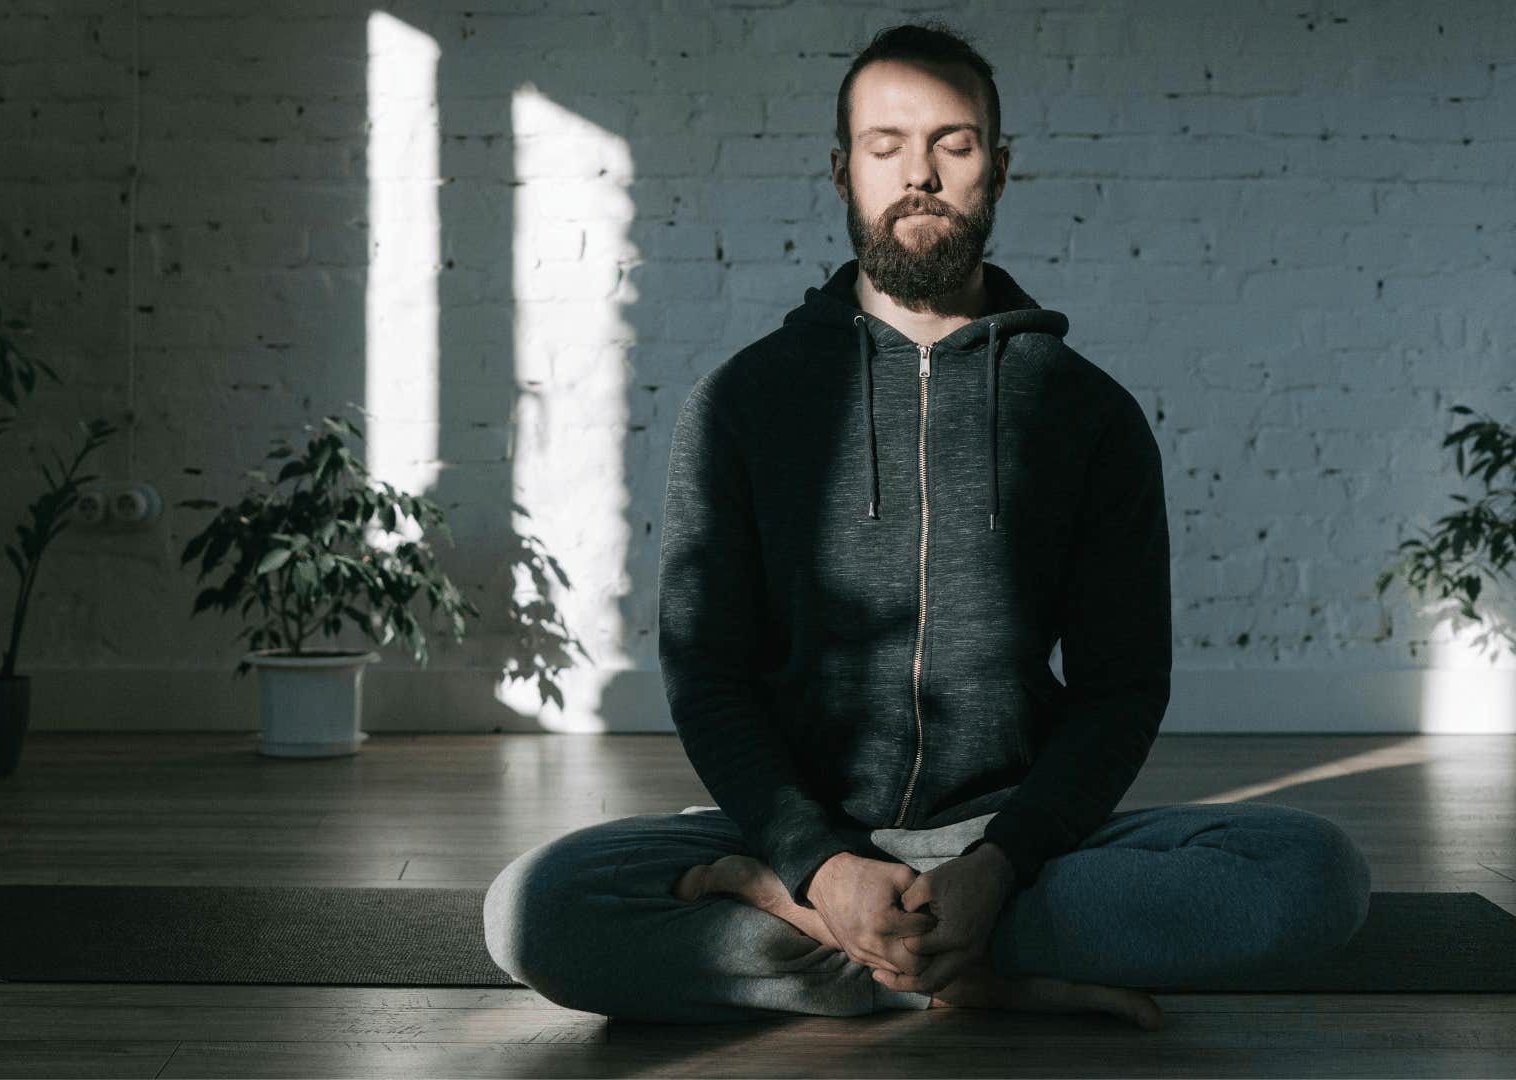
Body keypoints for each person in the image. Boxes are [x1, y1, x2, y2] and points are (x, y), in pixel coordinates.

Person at [482, 21, 1372, 1029]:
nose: (922, 175)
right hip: (799, 834)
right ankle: (942, 960)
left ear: (997, 168)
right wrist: (817, 865)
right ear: (842, 171)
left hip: (1015, 841)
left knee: (1312, 877)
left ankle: (868, 952)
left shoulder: (1088, 414)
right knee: (533, 910)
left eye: (952, 144)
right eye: (886, 146)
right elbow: (707, 674)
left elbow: (1122, 689)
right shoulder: (743, 402)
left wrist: (1000, 865)